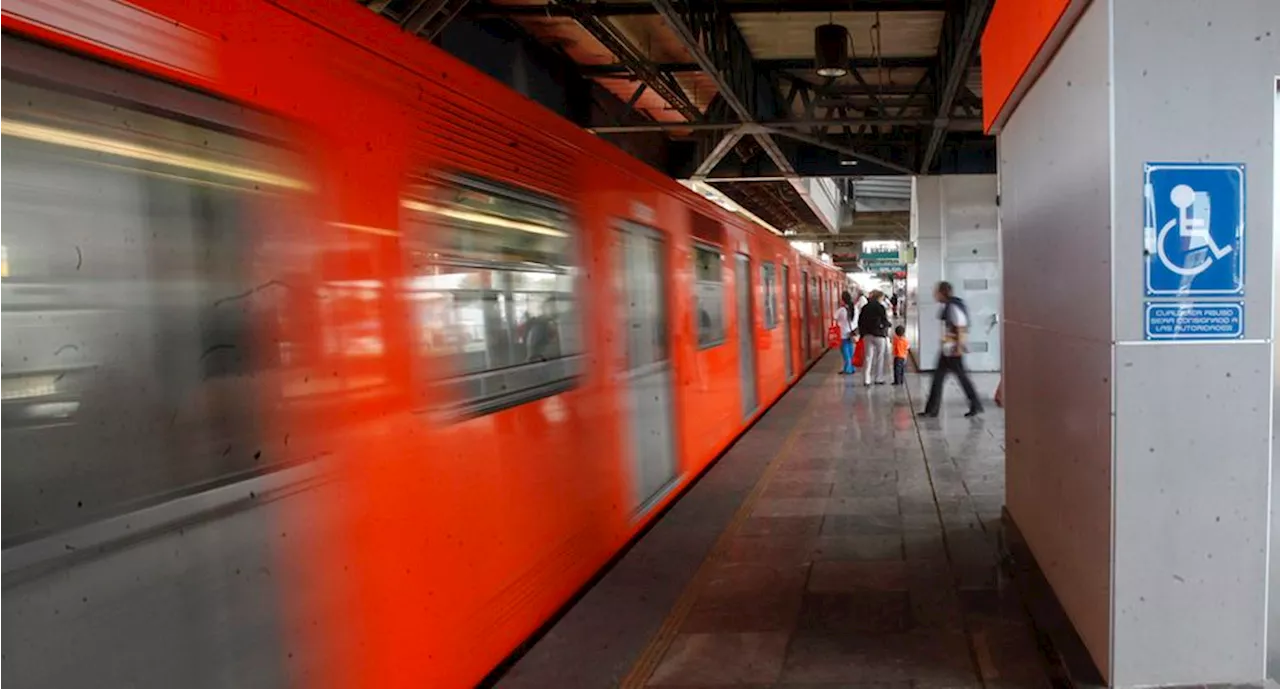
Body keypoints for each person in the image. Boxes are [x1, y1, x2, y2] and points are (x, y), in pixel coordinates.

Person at [920, 281, 983, 418]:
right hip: (947, 349)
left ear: (942, 292)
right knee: (939, 378)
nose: (934, 294)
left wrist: (959, 347)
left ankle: (975, 404)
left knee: (959, 378)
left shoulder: (953, 307)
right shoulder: (948, 306)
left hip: (953, 350)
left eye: (936, 291)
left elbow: (961, 326)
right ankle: (932, 409)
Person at [857, 289, 891, 385]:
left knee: (868, 357)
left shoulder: (865, 307)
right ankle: (878, 378)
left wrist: (862, 334)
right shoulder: (880, 307)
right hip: (879, 335)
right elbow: (884, 320)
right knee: (879, 357)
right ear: (879, 297)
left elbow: (860, 321)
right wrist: (888, 325)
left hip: (867, 335)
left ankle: (866, 380)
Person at [834, 291, 857, 375]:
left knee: (845, 352)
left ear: (843, 300)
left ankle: (848, 368)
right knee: (851, 351)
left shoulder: (842, 310)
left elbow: (834, 317)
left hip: (843, 333)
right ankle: (852, 367)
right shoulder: (854, 308)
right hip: (851, 332)